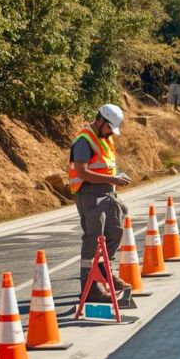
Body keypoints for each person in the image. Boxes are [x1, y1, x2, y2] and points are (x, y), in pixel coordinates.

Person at [68, 104, 131, 302]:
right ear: (101, 120)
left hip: (107, 193)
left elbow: (105, 166)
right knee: (93, 240)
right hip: (90, 195)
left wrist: (115, 178)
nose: (111, 132)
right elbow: (82, 172)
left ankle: (104, 271)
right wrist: (112, 180)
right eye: (109, 128)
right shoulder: (83, 141)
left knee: (116, 230)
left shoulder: (104, 139)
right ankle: (90, 287)